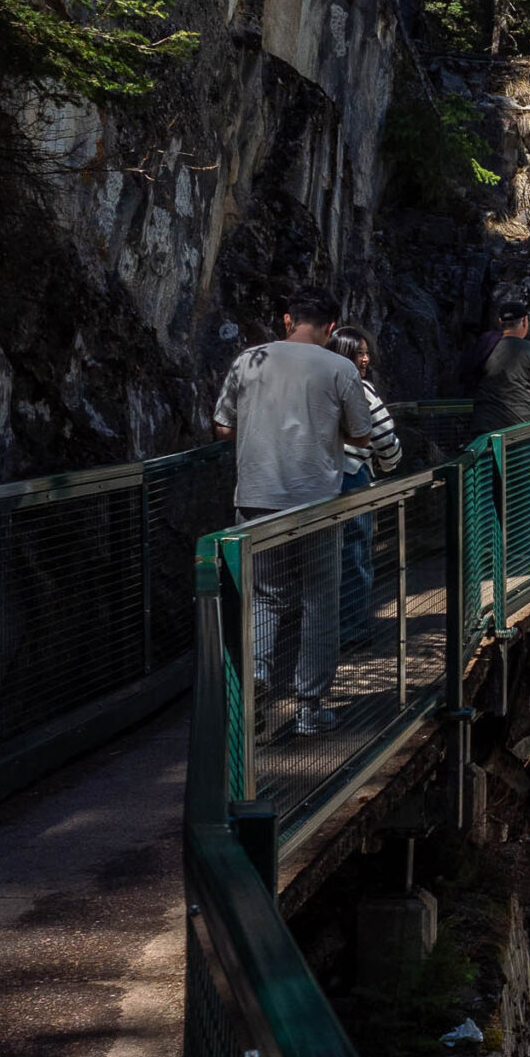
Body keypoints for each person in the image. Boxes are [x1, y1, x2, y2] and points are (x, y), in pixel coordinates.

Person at [213, 286, 375, 737]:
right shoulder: (340, 367)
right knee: (320, 600)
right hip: (315, 502)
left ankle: (259, 681)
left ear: (287, 320)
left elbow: (223, 426)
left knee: (264, 595)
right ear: (329, 328)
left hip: (256, 497)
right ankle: (308, 708)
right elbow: (362, 436)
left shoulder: (248, 360)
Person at [326, 326, 401, 645]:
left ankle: (325, 632)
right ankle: (352, 628)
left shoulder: (318, 385)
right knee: (355, 554)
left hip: (318, 477)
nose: (366, 358)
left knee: (325, 558)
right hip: (353, 475)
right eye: (359, 353)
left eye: (366, 352)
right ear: (343, 353)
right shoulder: (360, 389)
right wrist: (390, 465)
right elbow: (384, 435)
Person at [469, 295, 530, 439]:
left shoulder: (484, 348)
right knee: (519, 462)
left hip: (483, 427)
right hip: (518, 429)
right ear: (525, 321)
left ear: (500, 321)